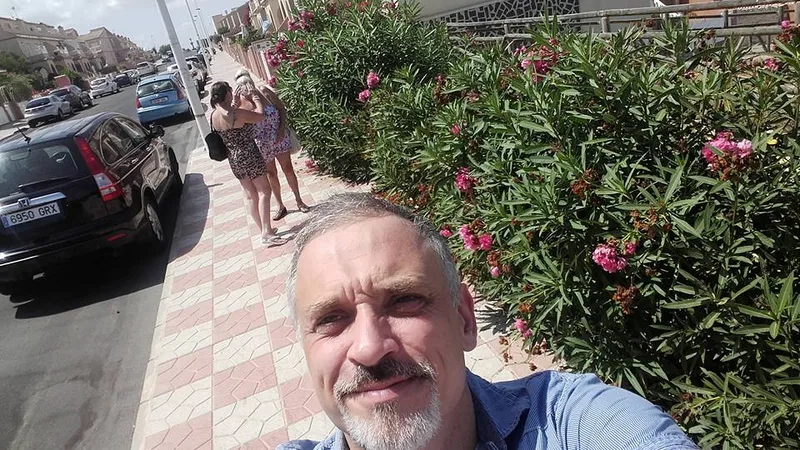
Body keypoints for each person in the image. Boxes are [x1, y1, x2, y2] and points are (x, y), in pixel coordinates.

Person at [279, 192, 699, 450]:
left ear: (464, 318)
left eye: (404, 301)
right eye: (332, 318)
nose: (370, 347)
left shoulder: (570, 424)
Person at [208, 81, 288, 246]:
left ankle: (263, 230)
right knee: (265, 191)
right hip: (250, 154)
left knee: (250, 195)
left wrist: (235, 103)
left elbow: (228, 117)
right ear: (227, 93)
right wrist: (256, 99)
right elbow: (260, 116)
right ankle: (267, 233)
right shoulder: (237, 113)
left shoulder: (214, 115)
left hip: (234, 158)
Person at [234, 70, 310, 220]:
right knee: (271, 174)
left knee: (288, 169)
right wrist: (236, 104)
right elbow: (236, 121)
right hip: (262, 144)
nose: (246, 89)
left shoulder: (264, 92)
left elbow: (281, 108)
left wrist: (281, 129)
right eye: (242, 86)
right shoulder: (241, 103)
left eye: (247, 84)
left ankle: (299, 200)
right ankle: (280, 205)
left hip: (278, 138)